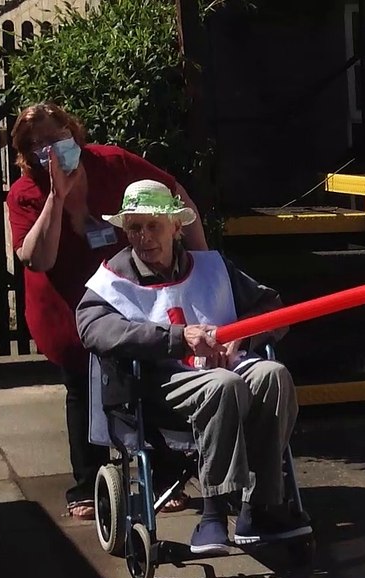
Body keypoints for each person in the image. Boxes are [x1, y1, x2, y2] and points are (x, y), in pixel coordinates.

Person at [76, 180, 311, 555]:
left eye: (153, 225)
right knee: (223, 385)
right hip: (159, 384)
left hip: (225, 369)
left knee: (272, 375)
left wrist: (245, 336)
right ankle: (214, 511)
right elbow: (92, 328)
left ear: (176, 227)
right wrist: (176, 337)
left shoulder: (213, 267)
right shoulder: (113, 279)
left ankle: (261, 506)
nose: (143, 237)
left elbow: (274, 310)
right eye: (134, 227)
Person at [7, 101, 207, 520]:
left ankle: (166, 475)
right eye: (36, 143)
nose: (48, 148)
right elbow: (36, 258)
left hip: (127, 293)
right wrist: (56, 199)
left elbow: (173, 195)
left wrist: (202, 262)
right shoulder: (26, 192)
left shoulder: (112, 162)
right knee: (83, 387)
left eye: (55, 137)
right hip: (63, 305)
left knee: (148, 375)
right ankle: (86, 483)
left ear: (72, 133)